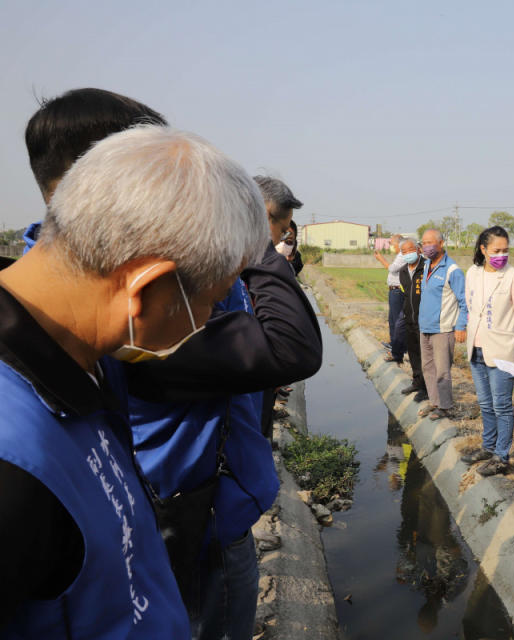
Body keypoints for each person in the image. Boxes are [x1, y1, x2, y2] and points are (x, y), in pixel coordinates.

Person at [18, 89, 322, 640]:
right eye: (212, 305)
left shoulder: (77, 366)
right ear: (149, 288)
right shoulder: (19, 457)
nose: (215, 323)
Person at [460, 226, 514, 477]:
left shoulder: (513, 277)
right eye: (496, 250)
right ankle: (488, 447)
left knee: (502, 405)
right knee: (485, 403)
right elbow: (470, 305)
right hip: (476, 349)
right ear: (483, 249)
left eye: (505, 250)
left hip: (501, 351)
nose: (502, 254)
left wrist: (505, 335)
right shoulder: (473, 273)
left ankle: (502, 456)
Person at [254, 175, 305, 440]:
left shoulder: (259, 262)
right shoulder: (235, 264)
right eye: (282, 229)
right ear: (264, 216)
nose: (282, 237)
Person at [417, 229, 467, 420]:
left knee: (442, 371)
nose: (426, 246)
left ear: (441, 243)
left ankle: (445, 407)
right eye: (424, 243)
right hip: (425, 328)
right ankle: (434, 402)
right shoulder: (427, 265)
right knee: (428, 368)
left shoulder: (453, 270)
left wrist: (461, 326)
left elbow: (464, 301)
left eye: (430, 242)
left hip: (443, 329)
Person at [398, 239, 429, 402]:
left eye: (411, 249)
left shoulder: (427, 267)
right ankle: (417, 382)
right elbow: (405, 295)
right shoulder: (403, 271)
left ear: (418, 249)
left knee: (426, 356)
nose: (408, 253)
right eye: (404, 251)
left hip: (424, 320)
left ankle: (426, 388)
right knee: (413, 352)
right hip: (409, 319)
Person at [374, 234, 407, 364]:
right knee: (393, 319)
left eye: (392, 243)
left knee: (397, 321)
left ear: (399, 244)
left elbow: (392, 268)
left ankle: (397, 348)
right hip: (394, 290)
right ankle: (394, 344)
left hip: (398, 291)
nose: (391, 246)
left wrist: (381, 259)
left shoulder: (402, 256)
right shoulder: (399, 255)